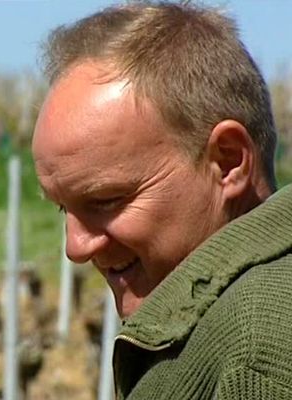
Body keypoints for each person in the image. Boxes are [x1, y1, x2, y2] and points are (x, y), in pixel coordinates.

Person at [32, 1, 292, 399]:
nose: (75, 248)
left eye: (105, 200)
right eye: (63, 207)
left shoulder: (257, 341)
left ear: (228, 161)